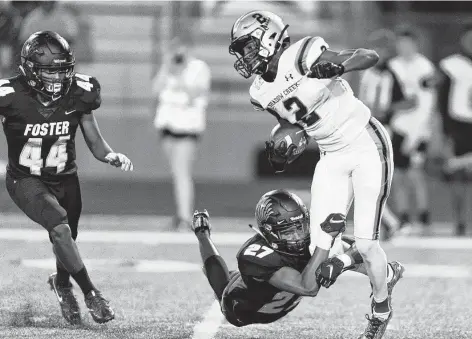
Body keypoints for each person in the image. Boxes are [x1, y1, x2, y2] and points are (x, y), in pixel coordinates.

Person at [229, 11, 396, 338]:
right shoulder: (259, 91)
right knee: (320, 245)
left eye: (248, 46)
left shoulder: (302, 53)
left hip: (364, 142)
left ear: (268, 37)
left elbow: (368, 56)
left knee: (365, 243)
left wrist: (338, 66)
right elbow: (295, 118)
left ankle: (380, 306)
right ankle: (365, 267)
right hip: (330, 155)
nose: (245, 56)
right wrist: (284, 141)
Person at [0, 31, 133, 325]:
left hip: (66, 178)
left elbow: (94, 139)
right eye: (50, 71)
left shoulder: (79, 92)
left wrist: (110, 155)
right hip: (26, 179)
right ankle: (91, 292)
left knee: (67, 237)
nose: (58, 77)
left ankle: (61, 283)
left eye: (62, 70)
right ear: (31, 70)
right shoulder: (10, 95)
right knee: (60, 228)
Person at [192, 190, 404, 329]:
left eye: (300, 226)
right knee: (223, 289)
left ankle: (386, 276)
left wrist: (343, 262)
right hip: (246, 309)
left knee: (333, 256)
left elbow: (362, 247)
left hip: (284, 291)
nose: (298, 235)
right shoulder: (255, 256)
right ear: (269, 232)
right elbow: (308, 287)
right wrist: (326, 240)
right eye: (288, 231)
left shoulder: (309, 234)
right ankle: (202, 234)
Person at [358, 29, 417, 237]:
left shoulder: (392, 73)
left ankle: (391, 222)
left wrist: (389, 108)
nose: (378, 52)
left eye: (382, 48)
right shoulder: (365, 72)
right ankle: (390, 222)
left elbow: (411, 101)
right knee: (367, 180)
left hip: (384, 130)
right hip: (364, 129)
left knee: (378, 179)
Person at [152, 38, 211, 230]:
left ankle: (185, 217)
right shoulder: (167, 68)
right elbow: (155, 89)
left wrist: (181, 72)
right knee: (176, 172)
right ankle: (181, 214)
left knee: (181, 172)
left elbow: (195, 94)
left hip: (187, 128)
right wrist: (166, 66)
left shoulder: (198, 68)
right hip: (168, 126)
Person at [388, 28, 436, 235]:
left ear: (415, 45)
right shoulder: (392, 66)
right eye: (400, 44)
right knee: (397, 174)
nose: (404, 48)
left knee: (415, 174)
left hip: (417, 129)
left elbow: (426, 103)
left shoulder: (424, 66)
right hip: (397, 128)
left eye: (408, 44)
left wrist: (417, 135)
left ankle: (424, 218)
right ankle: (404, 217)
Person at [439, 26, 472, 236]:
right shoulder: (452, 65)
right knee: (458, 176)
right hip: (459, 124)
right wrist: (445, 131)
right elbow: (442, 100)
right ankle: (460, 221)